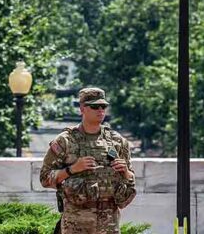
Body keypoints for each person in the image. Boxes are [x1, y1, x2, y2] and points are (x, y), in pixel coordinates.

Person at [38, 87, 136, 234]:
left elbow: (130, 184)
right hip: (75, 227)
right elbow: (45, 178)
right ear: (82, 108)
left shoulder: (118, 142)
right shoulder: (65, 141)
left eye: (103, 106)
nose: (100, 110)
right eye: (95, 106)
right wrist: (72, 169)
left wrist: (127, 173)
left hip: (109, 227)